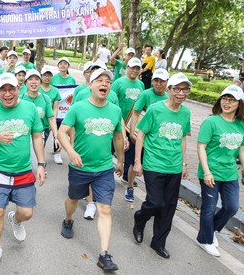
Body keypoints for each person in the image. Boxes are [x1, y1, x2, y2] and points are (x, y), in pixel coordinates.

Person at [0, 72, 46, 268]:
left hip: (23, 170)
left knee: (26, 212)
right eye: (3, 90)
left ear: (18, 89)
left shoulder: (30, 108)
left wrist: (41, 164)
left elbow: (37, 136)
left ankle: (16, 220)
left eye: (11, 89)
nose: (7, 94)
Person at [58, 68, 124, 272]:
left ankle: (104, 255)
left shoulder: (115, 110)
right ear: (91, 85)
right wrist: (70, 151)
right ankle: (68, 220)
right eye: (100, 80)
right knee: (73, 199)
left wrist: (120, 160)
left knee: (105, 209)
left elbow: (119, 136)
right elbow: (62, 132)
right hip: (80, 167)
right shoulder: (78, 107)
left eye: (108, 81)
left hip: (104, 168)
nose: (104, 83)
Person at [133, 73, 192, 259]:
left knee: (168, 207)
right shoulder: (155, 109)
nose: (181, 93)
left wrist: (183, 163)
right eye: (177, 89)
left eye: (185, 89)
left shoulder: (186, 112)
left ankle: (158, 242)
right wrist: (137, 161)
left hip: (174, 166)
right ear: (169, 90)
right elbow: (141, 134)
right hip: (154, 163)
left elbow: (183, 138)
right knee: (155, 202)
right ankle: (140, 218)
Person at [196, 85, 244, 257]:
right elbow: (201, 147)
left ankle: (211, 230)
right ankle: (205, 239)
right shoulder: (211, 122)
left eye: (232, 99)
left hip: (230, 174)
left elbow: (243, 150)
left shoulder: (242, 126)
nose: (227, 103)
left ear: (239, 103)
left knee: (232, 207)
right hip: (210, 172)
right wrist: (206, 172)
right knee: (209, 208)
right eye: (224, 99)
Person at [110, 58, 144, 203]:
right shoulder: (118, 83)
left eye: (138, 68)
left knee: (131, 154)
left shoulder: (141, 84)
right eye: (132, 68)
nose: (135, 70)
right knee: (110, 151)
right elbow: (111, 100)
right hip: (117, 125)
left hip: (133, 127)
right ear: (127, 68)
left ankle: (129, 184)